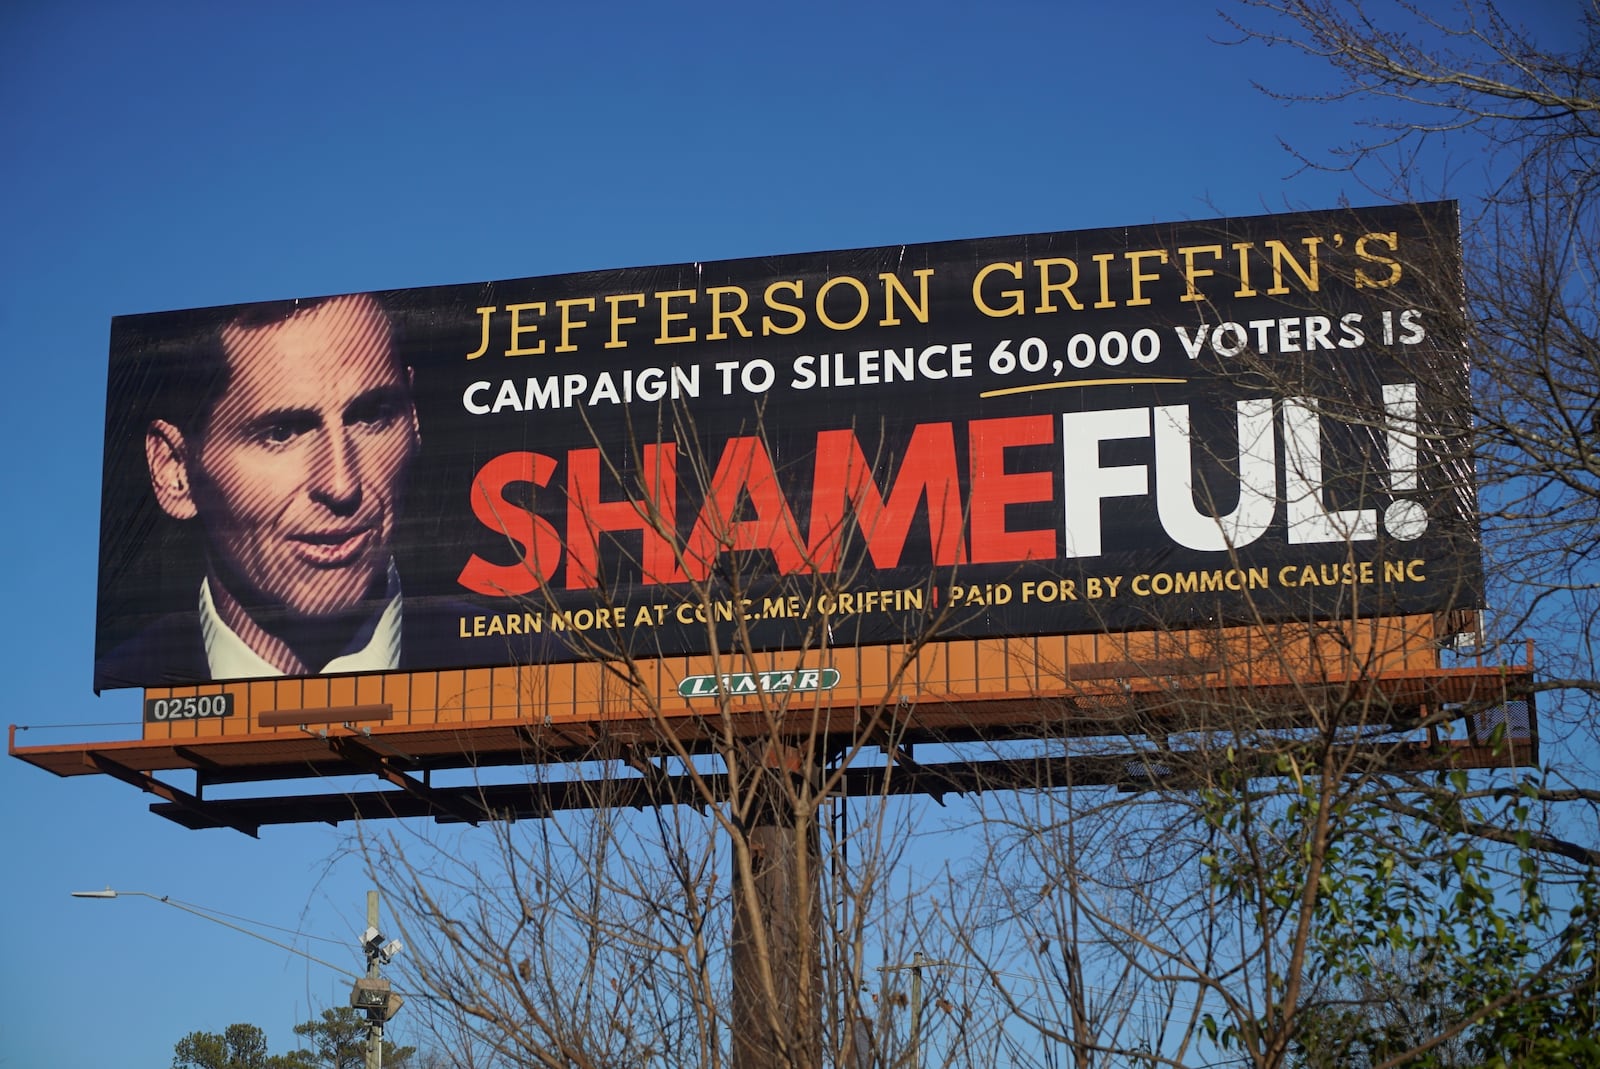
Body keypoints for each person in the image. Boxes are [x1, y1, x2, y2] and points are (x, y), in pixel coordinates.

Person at [97, 293, 421, 685]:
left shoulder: (506, 653)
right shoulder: (125, 670)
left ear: (414, 419)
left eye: (372, 417)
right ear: (175, 470)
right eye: (281, 433)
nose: (341, 484)